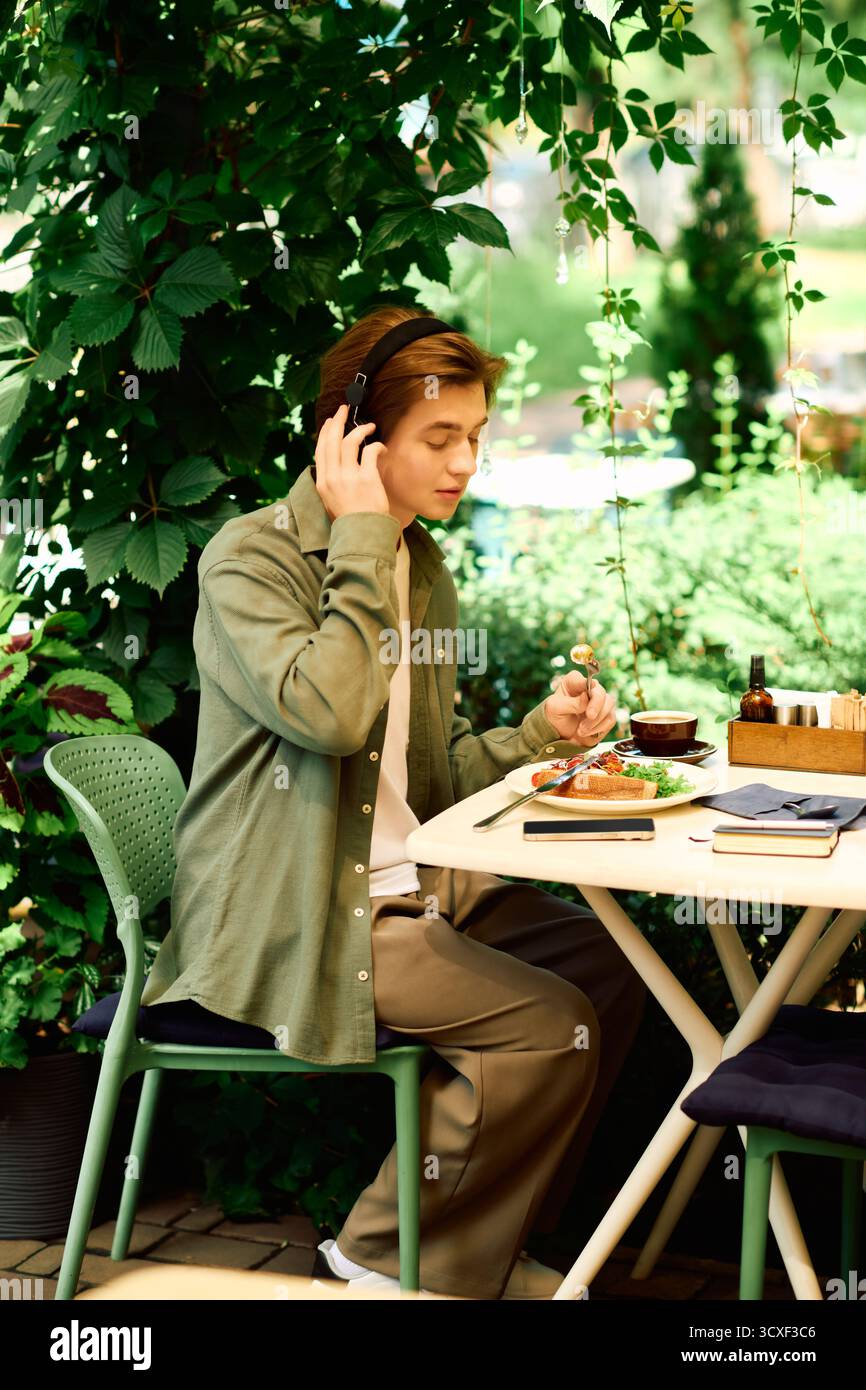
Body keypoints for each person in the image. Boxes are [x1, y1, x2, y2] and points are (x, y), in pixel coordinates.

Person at [141, 304, 646, 1300]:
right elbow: (329, 715)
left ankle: (480, 1243)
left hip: (420, 883)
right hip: (311, 908)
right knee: (549, 1025)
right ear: (358, 441)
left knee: (611, 974)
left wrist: (543, 733)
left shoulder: (418, 565)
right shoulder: (251, 561)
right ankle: (381, 1254)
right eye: (438, 439)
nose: (466, 463)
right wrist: (363, 533)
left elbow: (431, 777)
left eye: (475, 438)